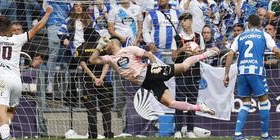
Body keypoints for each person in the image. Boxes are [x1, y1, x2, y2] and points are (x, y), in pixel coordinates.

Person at [88, 37, 218, 115]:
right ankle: (200, 107)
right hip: (146, 83)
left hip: (151, 72)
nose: (105, 45)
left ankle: (207, 54)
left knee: (183, 67)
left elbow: (148, 55)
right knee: (170, 103)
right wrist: (99, 46)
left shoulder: (129, 49)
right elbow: (92, 60)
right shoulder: (110, 58)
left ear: (113, 44)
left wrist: (155, 65)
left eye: (107, 43)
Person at [0, 6, 53, 140]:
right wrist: (47, 14)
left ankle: (5, 135)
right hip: (17, 81)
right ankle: (4, 130)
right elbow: (36, 29)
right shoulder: (17, 39)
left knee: (0, 108)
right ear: (11, 30)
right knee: (11, 109)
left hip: (2, 79)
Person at [224, 14, 280, 140]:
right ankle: (265, 135)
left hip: (242, 72)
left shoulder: (240, 36)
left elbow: (230, 54)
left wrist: (226, 74)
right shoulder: (264, 35)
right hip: (256, 71)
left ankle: (238, 134)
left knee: (245, 103)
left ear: (248, 25)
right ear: (260, 25)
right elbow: (276, 51)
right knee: (264, 101)